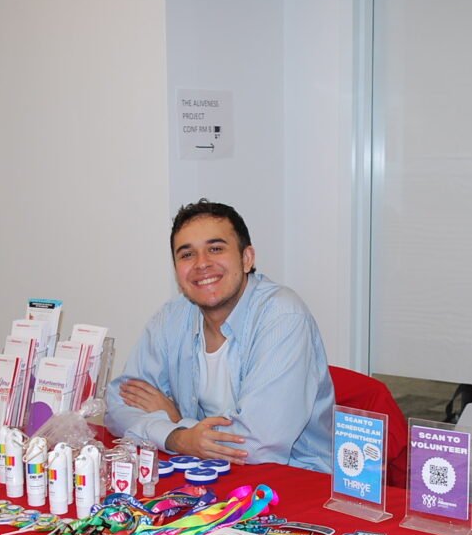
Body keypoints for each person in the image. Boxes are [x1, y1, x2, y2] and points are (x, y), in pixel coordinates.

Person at [105, 199, 334, 472]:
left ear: (247, 258)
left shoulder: (283, 316)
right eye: (187, 254)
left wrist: (177, 425)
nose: (202, 264)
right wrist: (181, 437)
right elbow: (118, 405)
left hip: (294, 481)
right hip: (209, 474)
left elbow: (258, 444)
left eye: (215, 249)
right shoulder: (171, 317)